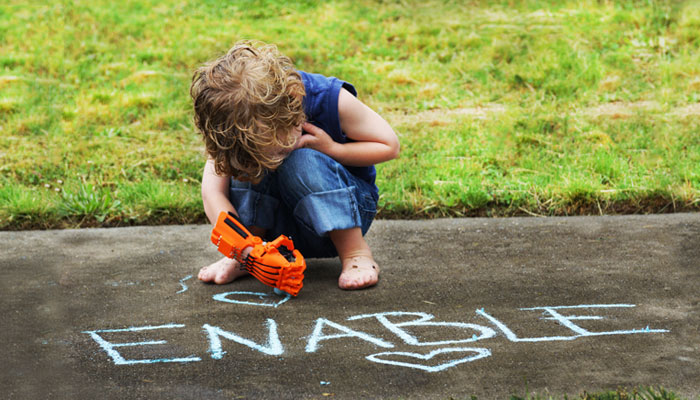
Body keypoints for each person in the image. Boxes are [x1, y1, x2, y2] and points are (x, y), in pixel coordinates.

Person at [190, 41, 399, 290]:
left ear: (295, 103)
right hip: (277, 231)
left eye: (277, 148)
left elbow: (389, 145)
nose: (274, 157)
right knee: (246, 164)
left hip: (344, 213)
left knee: (302, 160)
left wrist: (333, 149)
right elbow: (212, 193)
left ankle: (356, 253)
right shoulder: (234, 127)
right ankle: (248, 258)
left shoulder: (329, 99)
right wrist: (242, 247)